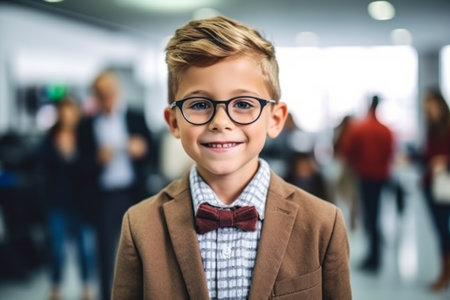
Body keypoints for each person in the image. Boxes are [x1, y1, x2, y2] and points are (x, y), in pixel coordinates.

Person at [111, 16, 351, 299]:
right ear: (174, 122)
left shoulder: (323, 223)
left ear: (275, 119)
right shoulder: (139, 225)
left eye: (243, 104)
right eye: (199, 104)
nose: (221, 122)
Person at [77, 70, 152, 300]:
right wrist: (97, 160)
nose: (106, 95)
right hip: (104, 195)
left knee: (141, 248)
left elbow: (152, 150)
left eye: (109, 90)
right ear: (96, 96)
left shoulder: (135, 116)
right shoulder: (87, 124)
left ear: (117, 90)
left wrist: (142, 148)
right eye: (101, 92)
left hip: (133, 192)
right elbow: (81, 164)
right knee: (105, 252)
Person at [38, 98, 95, 300]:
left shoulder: (85, 136)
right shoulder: (50, 137)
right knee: (56, 248)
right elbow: (42, 165)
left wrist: (71, 156)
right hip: (57, 201)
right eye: (64, 110)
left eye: (71, 110)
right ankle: (56, 286)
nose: (67, 115)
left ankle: (87, 286)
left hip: (81, 202)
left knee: (86, 249)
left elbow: (90, 167)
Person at [341, 95, 394, 272]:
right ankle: (375, 255)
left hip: (365, 176)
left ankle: (374, 258)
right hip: (381, 177)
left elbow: (348, 152)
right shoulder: (386, 130)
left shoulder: (360, 128)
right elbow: (390, 154)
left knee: (370, 217)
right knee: (376, 214)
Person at [420, 88, 450, 292]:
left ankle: (445, 273)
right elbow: (427, 157)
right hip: (431, 186)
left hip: (446, 183)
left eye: (429, 104)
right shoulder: (431, 128)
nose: (427, 109)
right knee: (441, 231)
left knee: (444, 231)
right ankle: (445, 272)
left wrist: (445, 161)